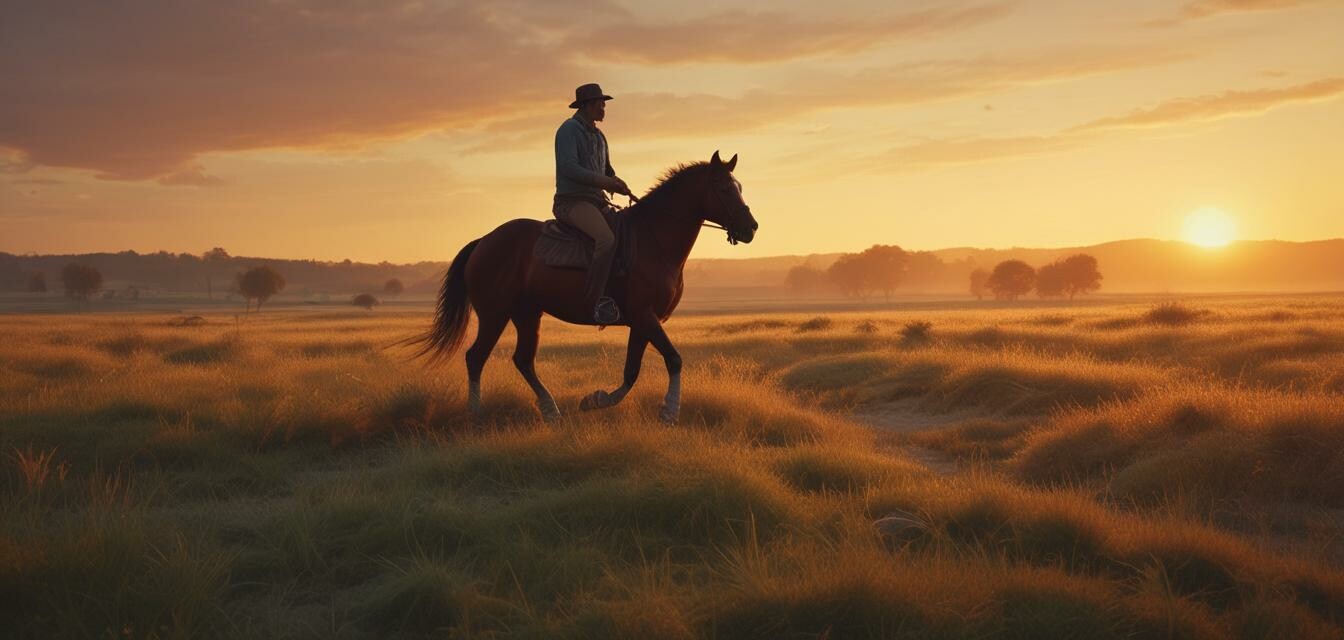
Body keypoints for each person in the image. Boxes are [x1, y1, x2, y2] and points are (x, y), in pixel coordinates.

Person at [554, 83, 631, 325]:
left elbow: (606, 170)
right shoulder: (568, 130)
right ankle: (595, 302)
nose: (604, 106)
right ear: (587, 105)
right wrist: (606, 181)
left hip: (597, 202)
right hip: (572, 202)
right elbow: (569, 168)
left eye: (604, 102)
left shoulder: (599, 136)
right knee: (606, 240)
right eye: (600, 103)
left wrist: (617, 182)